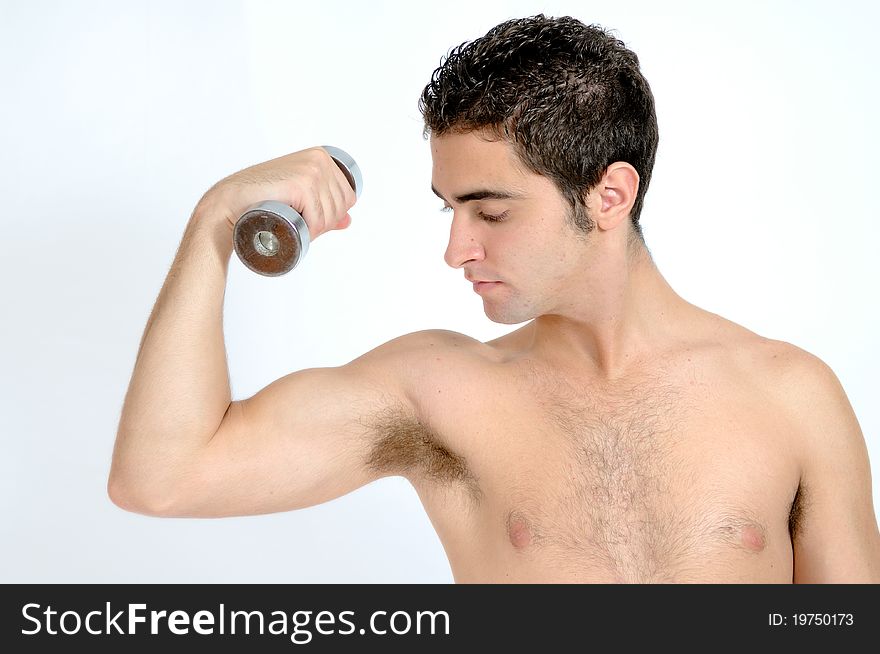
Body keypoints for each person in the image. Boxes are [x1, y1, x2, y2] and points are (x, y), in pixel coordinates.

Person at [109, 14, 880, 583]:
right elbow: (163, 477)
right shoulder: (440, 394)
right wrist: (214, 220)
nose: (457, 249)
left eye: (492, 212)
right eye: (451, 209)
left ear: (609, 194)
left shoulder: (790, 395)